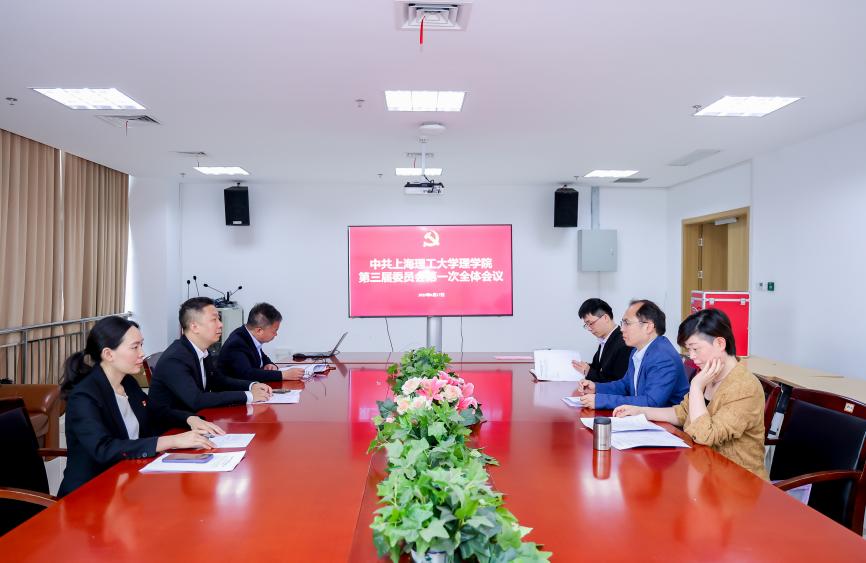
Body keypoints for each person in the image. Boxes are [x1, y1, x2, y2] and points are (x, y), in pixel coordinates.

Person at [59, 316, 224, 497]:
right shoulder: (84, 396)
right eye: (134, 347)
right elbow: (104, 449)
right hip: (91, 493)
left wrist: (189, 419)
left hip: (128, 480)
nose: (142, 353)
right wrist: (173, 441)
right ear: (108, 354)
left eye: (141, 345)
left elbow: (155, 413)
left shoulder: (127, 382)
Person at [613, 308, 768, 479]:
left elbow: (705, 436)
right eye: (688, 350)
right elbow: (682, 412)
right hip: (703, 468)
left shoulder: (744, 387)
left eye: (695, 349)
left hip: (737, 479)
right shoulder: (709, 374)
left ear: (720, 344)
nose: (692, 357)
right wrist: (640, 411)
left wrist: (696, 387)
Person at [148, 297, 273, 417]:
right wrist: (248, 396)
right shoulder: (175, 359)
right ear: (194, 327)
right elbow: (196, 399)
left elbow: (219, 382)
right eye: (214, 320)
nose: (221, 324)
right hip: (173, 428)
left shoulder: (202, 350)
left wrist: (251, 386)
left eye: (219, 319)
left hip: (198, 419)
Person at [574, 299, 688, 410]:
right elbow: (625, 385)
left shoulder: (663, 356)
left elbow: (651, 402)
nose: (622, 329)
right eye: (622, 323)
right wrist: (596, 388)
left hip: (663, 421)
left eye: (627, 323)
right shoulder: (637, 350)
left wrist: (601, 400)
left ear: (648, 327)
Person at [219, 302, 304, 382]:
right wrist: (283, 375)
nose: (276, 334)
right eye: (274, 331)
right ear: (259, 331)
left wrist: (269, 364)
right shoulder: (237, 343)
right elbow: (247, 374)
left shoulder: (248, 335)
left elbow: (261, 356)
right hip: (235, 391)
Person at [572, 298, 632, 383]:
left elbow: (619, 383)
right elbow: (599, 369)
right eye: (586, 325)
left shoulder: (624, 343)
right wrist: (583, 367)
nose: (589, 329)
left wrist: (589, 372)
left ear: (605, 318)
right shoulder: (605, 340)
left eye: (591, 323)